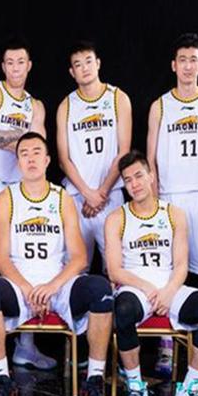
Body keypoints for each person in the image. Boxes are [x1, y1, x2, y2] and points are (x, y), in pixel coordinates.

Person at [0, 133, 115, 396]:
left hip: (57, 283)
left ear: (48, 160)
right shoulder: (7, 198)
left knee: (100, 289)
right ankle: (3, 383)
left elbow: (79, 257)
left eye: (37, 152)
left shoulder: (61, 198)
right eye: (24, 153)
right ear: (18, 162)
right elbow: (0, 259)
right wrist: (29, 290)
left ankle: (93, 383)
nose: (30, 158)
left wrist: (52, 287)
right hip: (19, 284)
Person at [106, 150, 198, 396]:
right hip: (136, 287)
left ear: (151, 176)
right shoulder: (117, 218)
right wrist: (148, 288)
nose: (134, 184)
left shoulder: (174, 214)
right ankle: (136, 390)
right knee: (123, 310)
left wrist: (169, 291)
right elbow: (114, 270)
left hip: (169, 285)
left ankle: (189, 391)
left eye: (138, 176)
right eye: (128, 180)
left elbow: (181, 264)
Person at [0, 36, 53, 371]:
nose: (16, 68)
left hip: (21, 187)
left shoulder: (36, 105)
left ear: (29, 66)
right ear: (3, 66)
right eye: (10, 62)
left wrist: (5, 140)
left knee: (22, 258)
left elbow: (39, 144)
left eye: (21, 62)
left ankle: (25, 345)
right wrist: (23, 141)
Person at [147, 33, 198, 377]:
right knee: (168, 276)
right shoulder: (160, 106)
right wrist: (154, 205)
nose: (188, 66)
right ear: (173, 65)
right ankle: (166, 348)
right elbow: (150, 160)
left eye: (193, 59)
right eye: (183, 59)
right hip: (170, 198)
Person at [56, 40, 131, 271]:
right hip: (78, 196)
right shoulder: (66, 106)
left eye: (88, 61)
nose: (85, 68)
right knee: (76, 268)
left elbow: (124, 152)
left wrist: (102, 193)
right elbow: (63, 159)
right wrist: (88, 193)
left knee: (116, 268)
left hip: (111, 194)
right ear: (72, 72)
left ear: (98, 63)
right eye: (78, 64)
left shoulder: (118, 98)